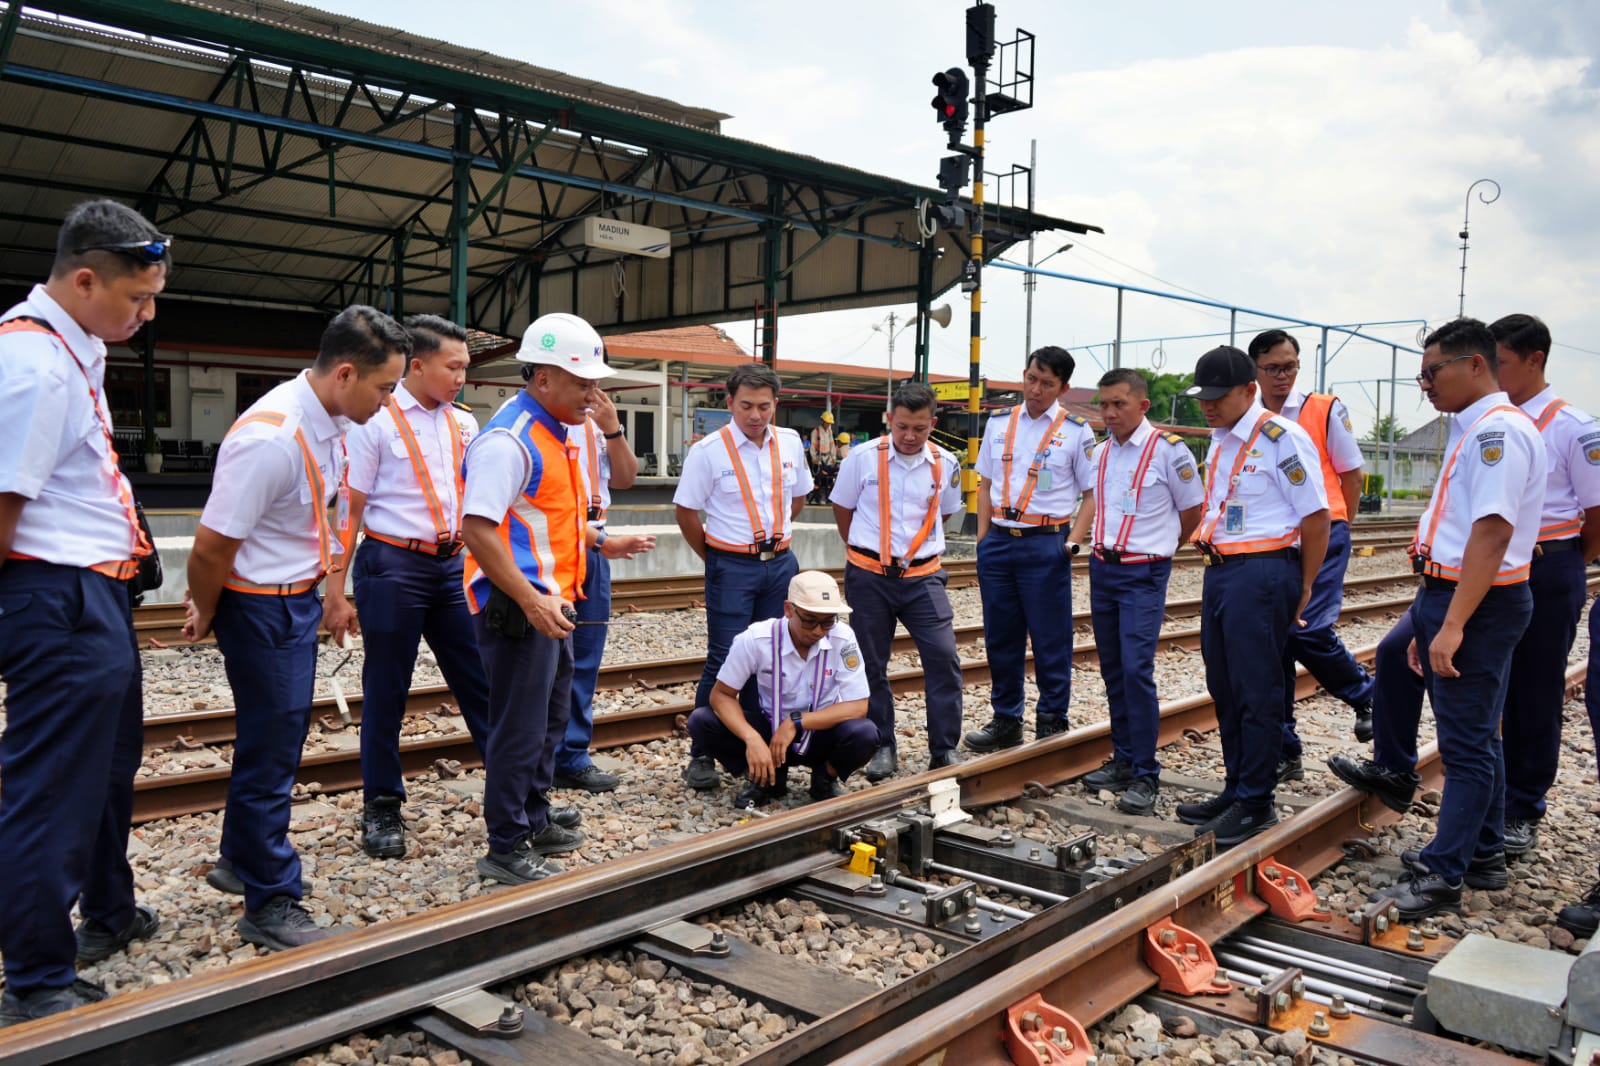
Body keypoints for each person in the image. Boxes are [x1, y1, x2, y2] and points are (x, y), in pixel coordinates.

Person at [184, 305, 408, 951]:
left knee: (268, 741)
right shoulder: (273, 438)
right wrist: (205, 607)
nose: (389, 402)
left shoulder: (331, 418)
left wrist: (329, 593)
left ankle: (237, 858)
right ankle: (271, 899)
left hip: (294, 599)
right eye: (385, 388)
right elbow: (208, 549)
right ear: (345, 373)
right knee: (274, 752)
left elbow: (321, 515)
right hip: (261, 607)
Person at [0, 200, 165, 1025]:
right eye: (137, 299)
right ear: (85, 278)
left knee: (102, 774)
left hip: (91, 593)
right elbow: (3, 504)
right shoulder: (33, 365)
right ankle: (35, 978)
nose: (147, 314)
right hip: (57, 595)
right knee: (53, 791)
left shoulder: (75, 351)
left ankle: (106, 911)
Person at [1330, 318, 1543, 920]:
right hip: (1452, 595)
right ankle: (1484, 853)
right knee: (1478, 735)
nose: (1424, 383)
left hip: (1475, 600)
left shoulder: (1495, 432)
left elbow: (1493, 531)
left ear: (1476, 365)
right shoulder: (1475, 428)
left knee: (1465, 744)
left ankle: (1446, 874)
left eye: (1432, 371)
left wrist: (1451, 624)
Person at [460, 312, 654, 886]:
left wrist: (601, 540)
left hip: (553, 604)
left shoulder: (559, 433)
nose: (593, 395)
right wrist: (530, 600)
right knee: (519, 728)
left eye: (596, 384)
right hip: (523, 609)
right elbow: (478, 529)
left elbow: (549, 518)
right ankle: (506, 843)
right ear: (542, 378)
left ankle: (534, 816)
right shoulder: (510, 439)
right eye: (582, 383)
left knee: (548, 720)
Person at [321, 314, 492, 860]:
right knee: (388, 691)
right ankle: (382, 808)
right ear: (417, 365)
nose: (462, 376)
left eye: (465, 366)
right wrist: (336, 590)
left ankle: (517, 796)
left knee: (480, 682)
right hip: (393, 565)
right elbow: (352, 507)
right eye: (454, 366)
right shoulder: (376, 421)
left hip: (452, 565)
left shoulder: (464, 424)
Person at [1179, 345, 1329, 847]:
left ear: (1249, 391)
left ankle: (1258, 800)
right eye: (1203, 397)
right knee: (1225, 684)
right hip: (1222, 570)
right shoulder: (1223, 440)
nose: (1208, 406)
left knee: (1258, 688)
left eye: (1218, 397)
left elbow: (1316, 514)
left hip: (1264, 571)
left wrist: (1304, 584)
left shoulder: (1282, 438)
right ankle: (1237, 786)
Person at [1487, 313, 1600, 858]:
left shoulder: (1572, 426)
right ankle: (1488, 798)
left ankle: (1523, 807)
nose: (1491, 370)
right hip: (1496, 566)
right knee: (1483, 682)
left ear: (1535, 360)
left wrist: (1567, 562)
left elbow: (1597, 513)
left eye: (1501, 361)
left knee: (1534, 690)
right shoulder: (1490, 420)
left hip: (1549, 564)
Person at [674, 363, 812, 789]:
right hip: (730, 566)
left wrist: (772, 544)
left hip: (781, 565)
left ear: (776, 404)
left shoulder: (789, 442)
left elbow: (799, 497)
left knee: (771, 659)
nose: (756, 415)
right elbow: (686, 513)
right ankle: (701, 754)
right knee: (724, 659)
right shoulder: (708, 451)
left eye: (764, 406)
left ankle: (762, 746)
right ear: (729, 402)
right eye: (747, 405)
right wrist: (717, 558)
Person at [1073, 369, 1204, 815]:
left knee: (1135, 670)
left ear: (1143, 406)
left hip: (1143, 572)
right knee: (1112, 668)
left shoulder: (1168, 451)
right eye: (1103, 404)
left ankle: (1146, 773)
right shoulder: (1102, 452)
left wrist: (1163, 547)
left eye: (1119, 404)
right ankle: (1124, 759)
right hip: (1103, 569)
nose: (1108, 413)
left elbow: (1192, 510)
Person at [1248, 330, 1376, 770]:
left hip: (1322, 531)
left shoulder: (1322, 409)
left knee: (1304, 630)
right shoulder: (1248, 413)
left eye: (1290, 367)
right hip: (1273, 541)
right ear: (1256, 371)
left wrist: (1340, 525)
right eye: (1273, 369)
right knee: (1276, 645)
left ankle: (1366, 693)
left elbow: (1351, 474)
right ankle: (1285, 751)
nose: (1283, 376)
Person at [830, 383, 966, 779]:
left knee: (944, 659)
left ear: (933, 424)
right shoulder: (862, 458)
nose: (910, 437)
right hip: (869, 577)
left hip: (924, 577)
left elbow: (944, 514)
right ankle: (881, 746)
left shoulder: (946, 464)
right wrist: (868, 551)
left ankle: (944, 749)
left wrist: (910, 552)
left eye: (920, 429)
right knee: (870, 665)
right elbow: (843, 508)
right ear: (889, 420)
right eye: (902, 426)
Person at [965, 345, 1096, 752]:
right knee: (1000, 637)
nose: (1036, 389)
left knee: (1049, 637)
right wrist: (983, 539)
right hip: (1000, 542)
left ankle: (1052, 718)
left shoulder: (1077, 432)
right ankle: (1006, 718)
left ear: (1064, 388)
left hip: (1047, 544)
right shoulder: (999, 422)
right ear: (1024, 374)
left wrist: (1072, 544)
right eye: (1032, 378)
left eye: (1048, 383)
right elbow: (985, 485)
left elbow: (1091, 496)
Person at [685, 570, 877, 806]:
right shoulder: (756, 639)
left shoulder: (843, 638)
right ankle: (764, 777)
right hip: (769, 730)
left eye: (827, 621)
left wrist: (797, 722)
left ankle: (825, 778)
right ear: (789, 610)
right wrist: (751, 738)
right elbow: (721, 695)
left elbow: (858, 706)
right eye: (809, 620)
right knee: (701, 721)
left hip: (818, 731)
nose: (818, 630)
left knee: (865, 733)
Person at [553, 383, 640, 793]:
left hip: (595, 547)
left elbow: (625, 477)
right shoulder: (542, 424)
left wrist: (613, 429)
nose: (591, 389)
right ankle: (540, 757)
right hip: (554, 547)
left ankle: (572, 756)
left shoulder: (596, 422)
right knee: (545, 662)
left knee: (585, 659)